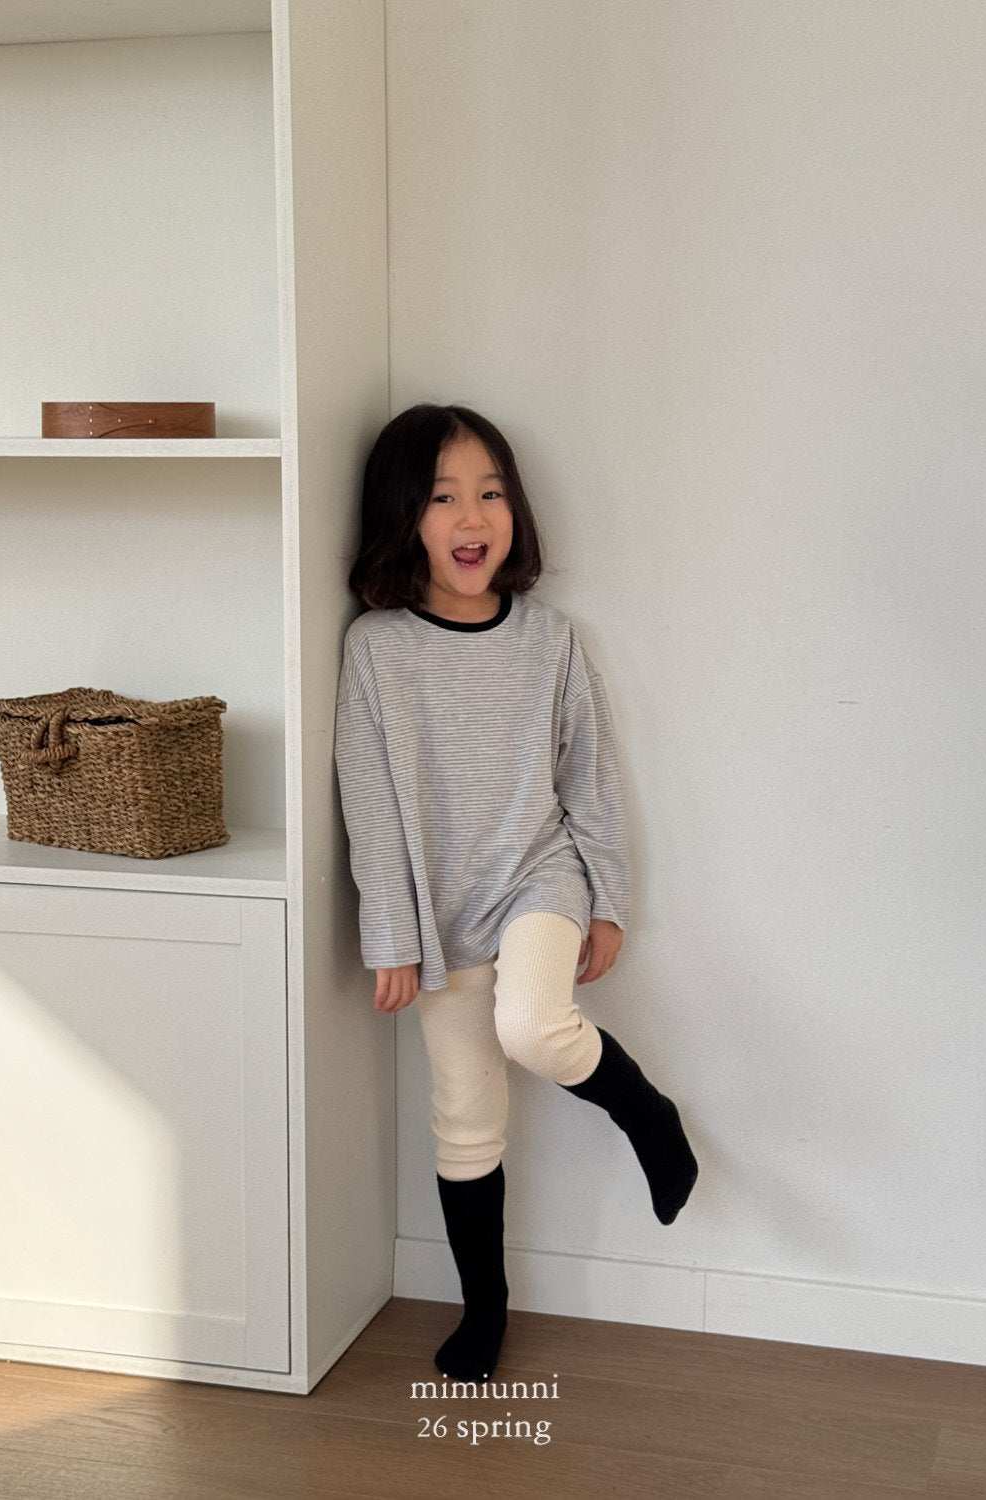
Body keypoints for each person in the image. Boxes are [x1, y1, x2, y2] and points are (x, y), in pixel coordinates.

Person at [334, 402, 698, 1383]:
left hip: (541, 875)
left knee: (533, 1028)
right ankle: (484, 1309)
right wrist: (391, 936)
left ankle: (647, 1114)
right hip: (437, 908)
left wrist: (608, 900)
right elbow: (368, 800)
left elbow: (590, 778)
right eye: (444, 497)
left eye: (491, 493)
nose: (473, 516)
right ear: (403, 516)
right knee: (464, 1113)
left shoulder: (550, 640)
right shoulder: (376, 649)